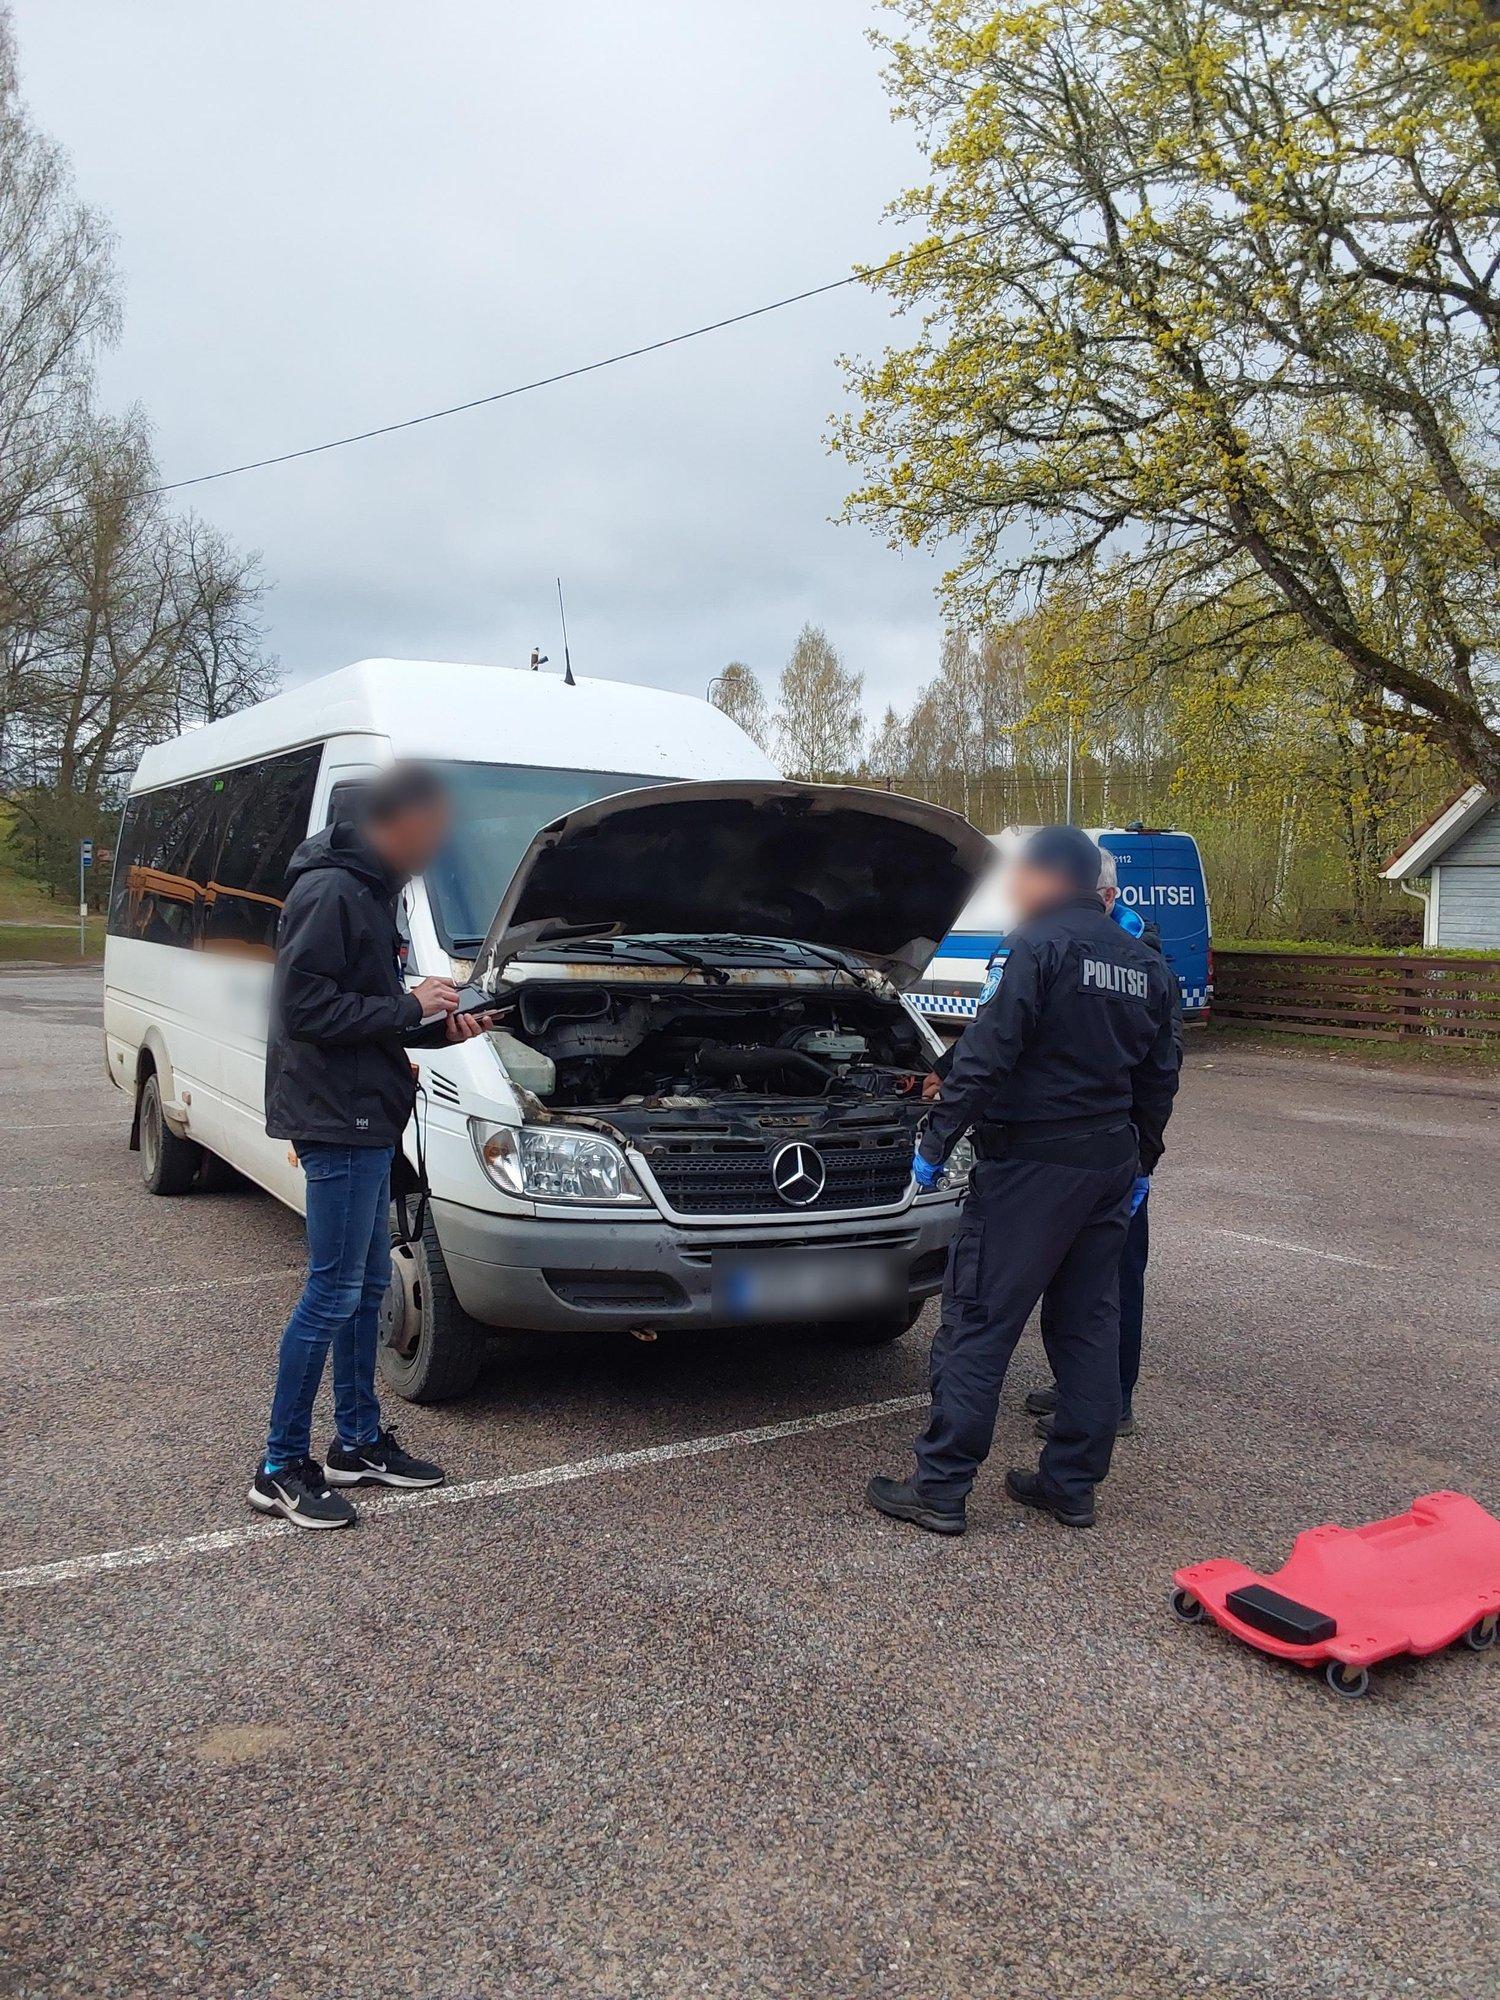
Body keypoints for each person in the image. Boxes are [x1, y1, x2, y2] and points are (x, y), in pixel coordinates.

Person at [867, 824, 1179, 1536]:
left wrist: (936, 1139)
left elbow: (989, 1052)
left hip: (1033, 1167)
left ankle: (940, 1488)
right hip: (1107, 1167)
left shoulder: (1036, 946)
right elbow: (1160, 1077)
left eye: (1018, 875)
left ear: (1048, 877)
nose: (1010, 887)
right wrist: (1143, 1166)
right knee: (1087, 1324)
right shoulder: (1145, 964)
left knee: (977, 1319)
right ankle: (1070, 1484)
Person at [248, 763, 493, 1530]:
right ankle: (280, 1465)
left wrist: (436, 1024)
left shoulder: (369, 890)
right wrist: (407, 1002)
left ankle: (356, 1444)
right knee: (330, 1293)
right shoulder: (329, 891)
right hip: (335, 1117)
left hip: (364, 1110)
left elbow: (367, 1012)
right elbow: (305, 1006)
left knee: (362, 1292)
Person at [1030, 848, 1182, 1442]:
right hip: (1089, 1150)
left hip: (1116, 1152)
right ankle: (1078, 1389)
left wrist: (1145, 1158)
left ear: (1107, 896)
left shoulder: (1140, 962)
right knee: (1073, 1281)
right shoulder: (1070, 947)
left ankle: (1112, 1398)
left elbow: (1160, 1072)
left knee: (1113, 1282)